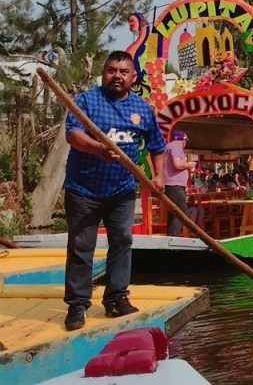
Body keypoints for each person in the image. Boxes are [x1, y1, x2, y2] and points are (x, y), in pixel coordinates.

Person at [62, 51, 166, 331]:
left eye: (123, 71)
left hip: (121, 190)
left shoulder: (142, 109)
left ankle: (116, 298)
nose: (117, 75)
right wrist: (98, 148)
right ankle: (77, 305)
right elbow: (73, 135)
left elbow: (157, 146)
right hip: (83, 189)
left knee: (122, 242)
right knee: (81, 247)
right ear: (103, 73)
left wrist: (158, 176)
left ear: (133, 77)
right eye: (111, 70)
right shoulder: (87, 101)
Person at [163, 130, 198, 237]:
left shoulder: (168, 147)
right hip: (175, 185)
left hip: (170, 184)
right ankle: (174, 237)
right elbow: (177, 164)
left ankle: (171, 238)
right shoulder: (176, 147)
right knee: (181, 212)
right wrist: (190, 164)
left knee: (174, 213)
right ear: (183, 141)